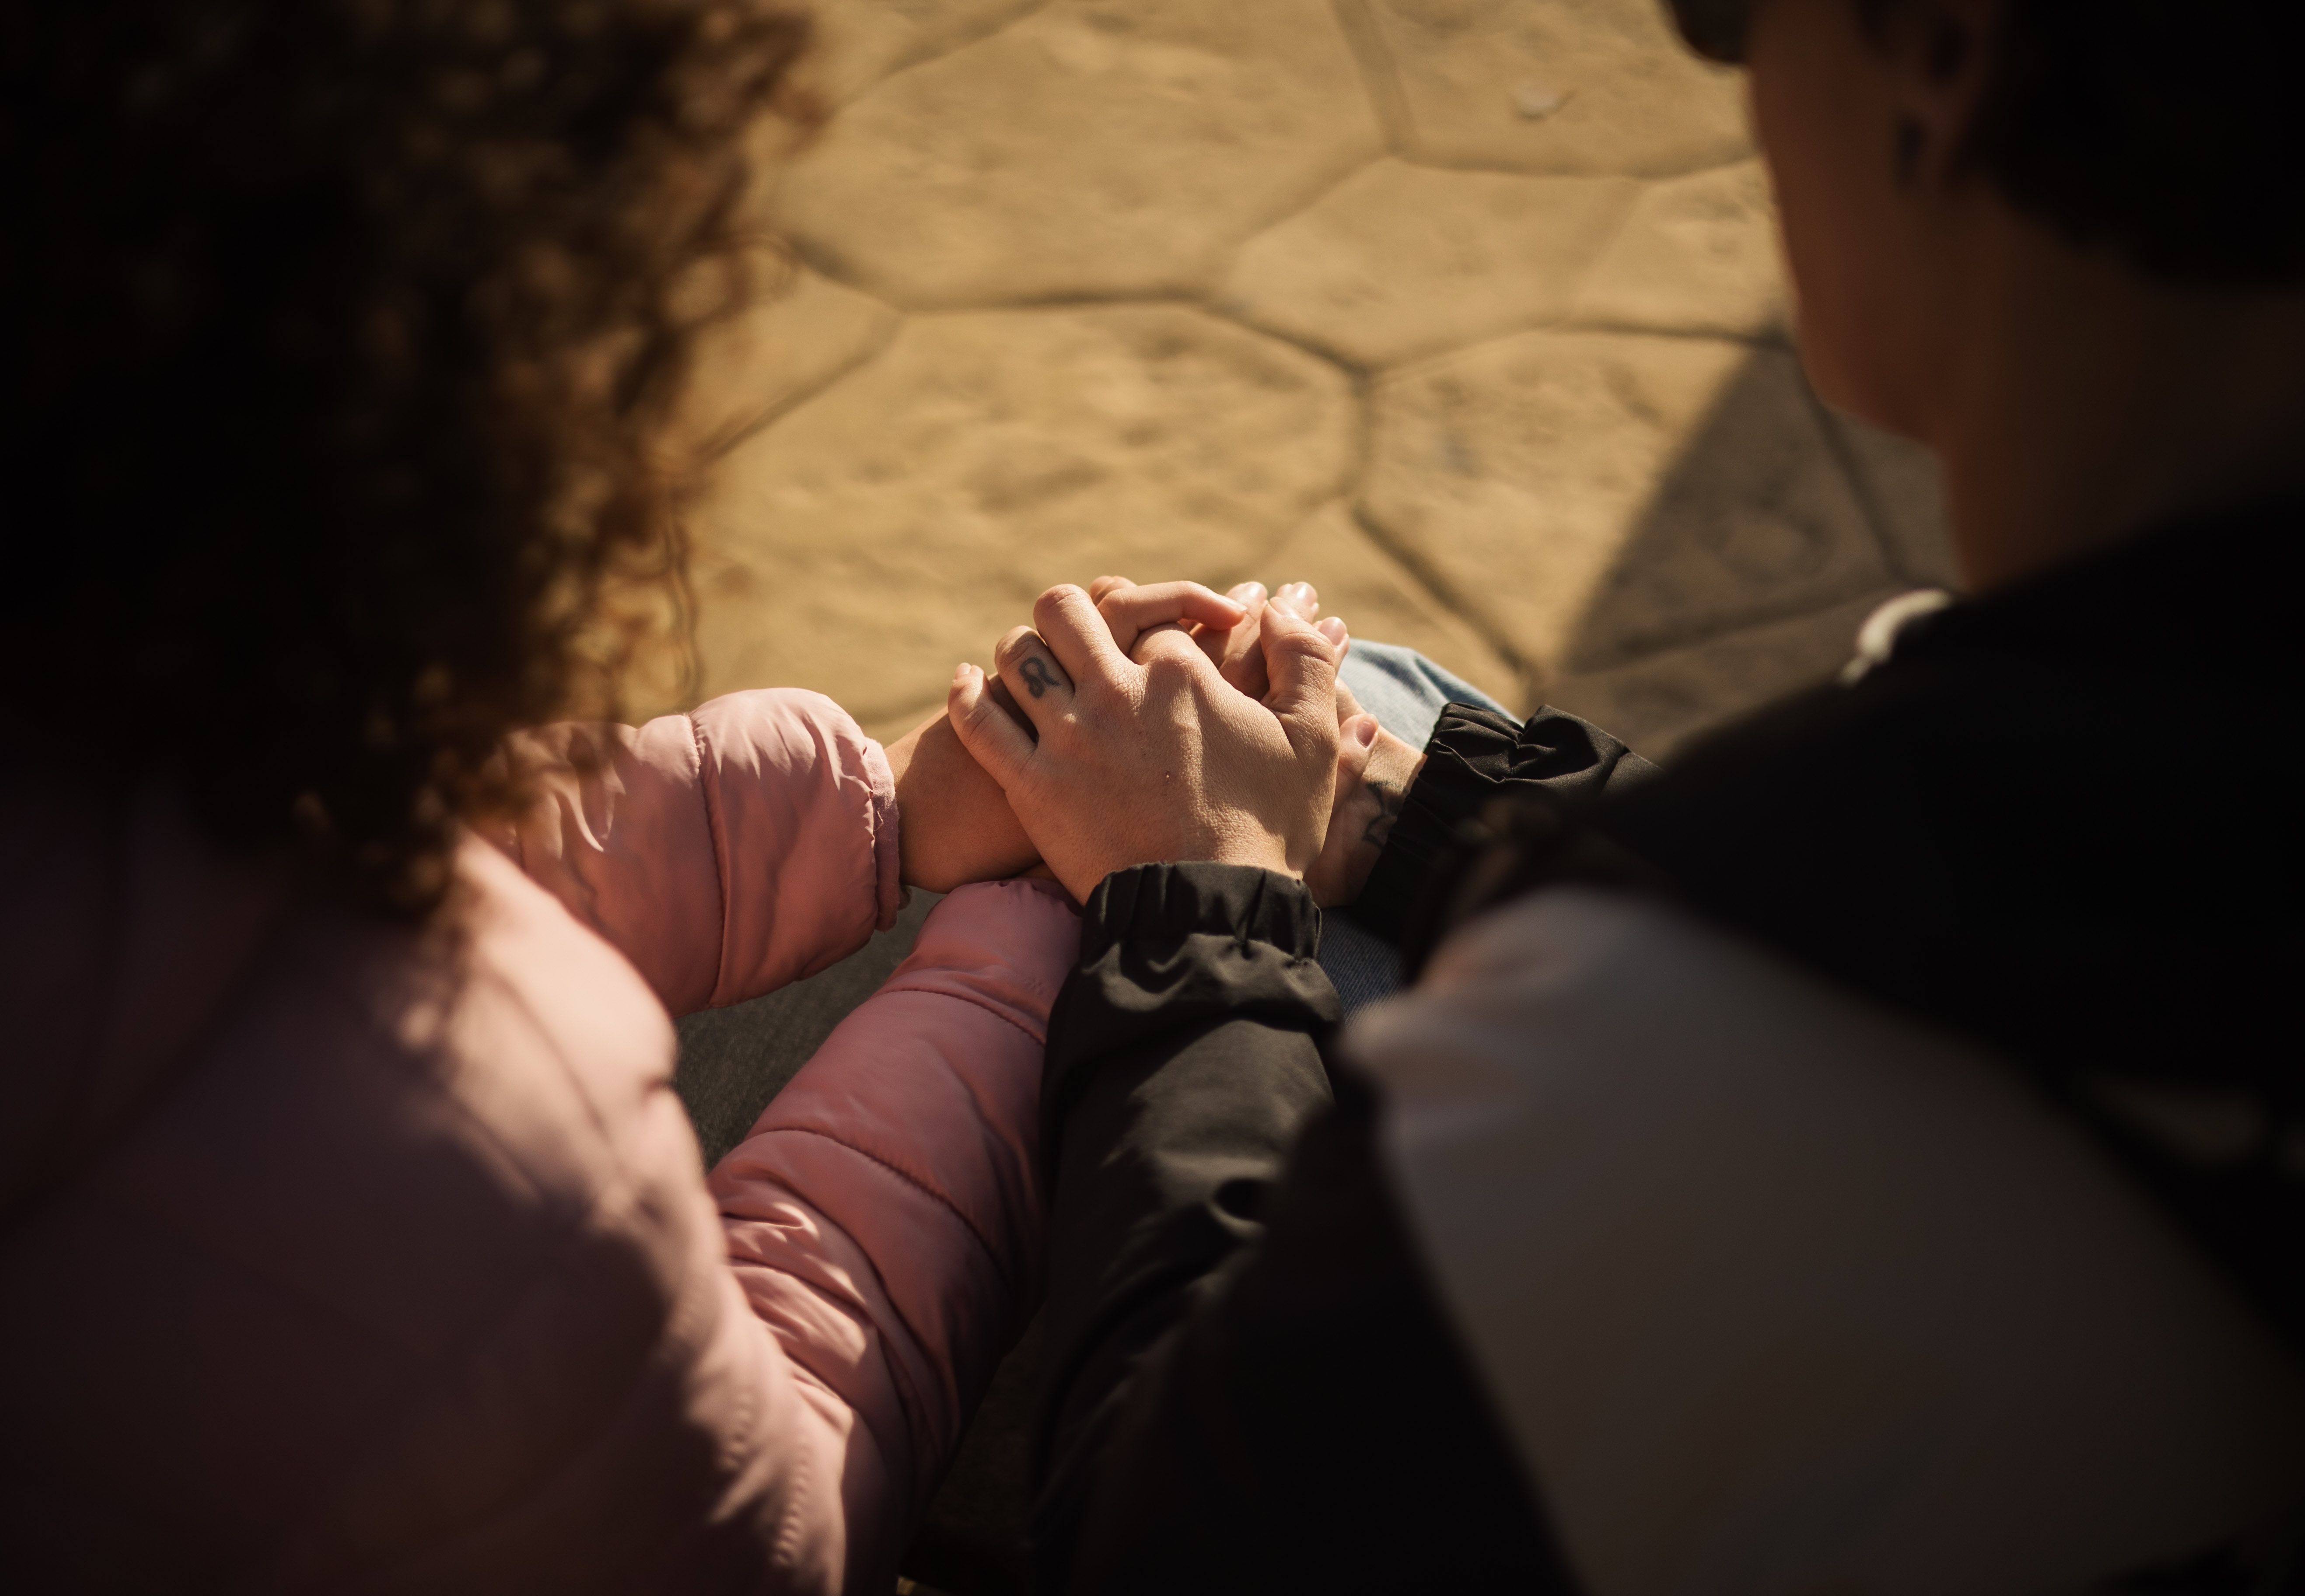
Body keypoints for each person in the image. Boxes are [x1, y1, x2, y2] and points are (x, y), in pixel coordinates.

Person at [942, 0, 2305, 1590]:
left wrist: (1196, 904)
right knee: (1384, 707)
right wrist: (1411, 820)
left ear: (1941, 53)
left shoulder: (1690, 1045)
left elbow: (1160, 1543)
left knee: (949, 954)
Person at [0, 3, 1333, 1590]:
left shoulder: (91, 709)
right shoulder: (472, 1153)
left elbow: (335, 850)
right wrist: (1048, 936)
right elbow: (770, 1531)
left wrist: (884, 809)